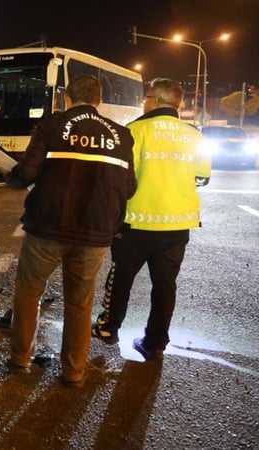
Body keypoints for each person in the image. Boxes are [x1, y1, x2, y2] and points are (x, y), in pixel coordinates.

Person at [4, 75, 136, 386]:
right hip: (96, 233)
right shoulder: (121, 135)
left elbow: (27, 172)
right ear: (99, 100)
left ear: (67, 98)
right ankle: (74, 372)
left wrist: (11, 177)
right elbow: (129, 187)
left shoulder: (51, 125)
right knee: (79, 302)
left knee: (29, 291)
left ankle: (21, 358)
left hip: (48, 227)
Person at [92, 78, 211, 360]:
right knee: (165, 284)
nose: (144, 101)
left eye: (146, 97)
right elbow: (202, 177)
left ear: (155, 100)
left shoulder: (135, 130)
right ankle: (155, 341)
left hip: (136, 223)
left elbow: (120, 177)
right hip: (178, 224)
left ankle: (109, 328)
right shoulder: (194, 135)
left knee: (120, 277)